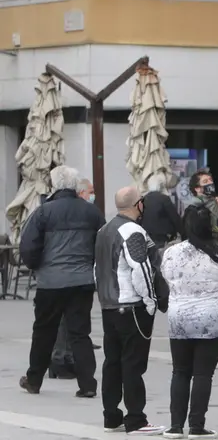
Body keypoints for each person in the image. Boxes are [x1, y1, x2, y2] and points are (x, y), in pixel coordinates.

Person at [18, 166, 104, 398]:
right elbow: (102, 244)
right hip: (82, 281)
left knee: (44, 331)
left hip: (50, 282)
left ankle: (34, 380)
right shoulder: (91, 212)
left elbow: (28, 246)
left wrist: (37, 266)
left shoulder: (44, 212)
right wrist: (90, 265)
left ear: (55, 185)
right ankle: (87, 385)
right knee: (80, 333)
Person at [94, 186, 166, 435]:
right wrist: (151, 301)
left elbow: (97, 267)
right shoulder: (132, 230)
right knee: (134, 364)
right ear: (139, 204)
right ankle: (136, 419)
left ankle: (111, 416)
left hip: (109, 306)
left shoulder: (104, 230)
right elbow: (141, 269)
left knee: (112, 362)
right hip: (131, 305)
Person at [161, 205, 218, 439]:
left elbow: (165, 276)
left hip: (179, 318)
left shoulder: (172, 252)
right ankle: (196, 426)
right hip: (211, 320)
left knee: (180, 371)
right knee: (203, 375)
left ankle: (175, 426)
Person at [50, 177, 101, 381]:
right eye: (90, 191)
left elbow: (31, 244)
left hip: (54, 276)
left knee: (61, 321)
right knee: (74, 323)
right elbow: (102, 239)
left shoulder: (48, 210)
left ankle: (59, 360)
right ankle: (64, 360)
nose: (92, 195)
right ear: (80, 193)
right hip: (80, 274)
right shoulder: (90, 212)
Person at [189, 171, 218, 249]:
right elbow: (199, 231)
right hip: (207, 252)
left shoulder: (216, 202)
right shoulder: (194, 208)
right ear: (197, 189)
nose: (210, 183)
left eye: (210, 180)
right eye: (205, 181)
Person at [140, 174, 183, 253]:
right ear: (161, 185)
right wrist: (184, 233)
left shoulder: (143, 199)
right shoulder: (164, 199)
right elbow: (175, 218)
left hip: (147, 237)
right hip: (163, 238)